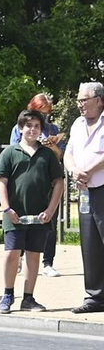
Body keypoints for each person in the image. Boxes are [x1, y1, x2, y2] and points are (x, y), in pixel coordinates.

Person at [0, 110, 65, 314]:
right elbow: (1, 182)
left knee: (33, 256)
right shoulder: (9, 153)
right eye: (29, 126)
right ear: (20, 128)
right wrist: (6, 207)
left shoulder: (47, 155)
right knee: (12, 254)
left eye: (36, 126)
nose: (32, 130)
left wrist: (51, 210)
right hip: (14, 214)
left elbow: (59, 183)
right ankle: (8, 294)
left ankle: (28, 297)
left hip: (39, 215)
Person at [11, 93, 64, 276]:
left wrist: (50, 145)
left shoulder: (52, 128)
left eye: (47, 112)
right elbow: (14, 152)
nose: (44, 116)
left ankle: (47, 263)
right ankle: (18, 257)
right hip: (24, 182)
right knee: (22, 221)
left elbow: (59, 156)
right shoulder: (18, 129)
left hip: (47, 181)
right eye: (41, 111)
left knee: (49, 222)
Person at [66, 82, 104, 314]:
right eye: (79, 100)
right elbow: (68, 152)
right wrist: (73, 171)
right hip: (85, 192)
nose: (79, 104)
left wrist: (89, 170)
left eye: (84, 100)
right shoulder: (78, 125)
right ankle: (95, 297)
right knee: (90, 245)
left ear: (98, 100)